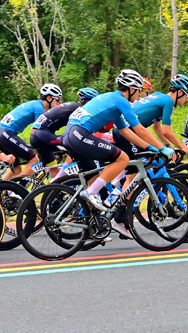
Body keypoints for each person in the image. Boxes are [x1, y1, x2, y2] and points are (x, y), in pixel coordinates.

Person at [63, 70, 173, 234]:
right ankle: (90, 193)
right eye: (139, 90)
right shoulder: (121, 101)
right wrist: (162, 148)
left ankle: (94, 229)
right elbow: (139, 129)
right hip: (79, 134)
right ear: (131, 89)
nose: (141, 94)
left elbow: (125, 131)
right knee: (122, 159)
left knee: (94, 180)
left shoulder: (113, 100)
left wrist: (149, 148)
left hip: (70, 134)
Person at [0, 83, 63, 179]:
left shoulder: (35, 104)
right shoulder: (39, 108)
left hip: (2, 134)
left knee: (17, 169)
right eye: (57, 99)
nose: (58, 103)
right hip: (7, 134)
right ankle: (19, 191)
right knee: (34, 160)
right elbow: (40, 131)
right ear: (49, 98)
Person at [31, 87, 99, 177]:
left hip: (37, 135)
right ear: (88, 101)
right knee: (76, 146)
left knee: (54, 174)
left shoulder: (73, 106)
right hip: (42, 135)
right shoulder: (79, 109)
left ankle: (53, 188)